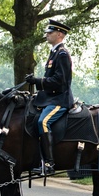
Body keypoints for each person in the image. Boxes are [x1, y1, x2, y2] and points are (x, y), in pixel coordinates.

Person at [24, 19, 73, 176]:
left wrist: (38, 81)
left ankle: (49, 163)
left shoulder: (63, 54)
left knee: (43, 122)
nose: (47, 35)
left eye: (50, 33)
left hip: (60, 100)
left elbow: (61, 81)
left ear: (59, 34)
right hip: (50, 98)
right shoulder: (54, 53)